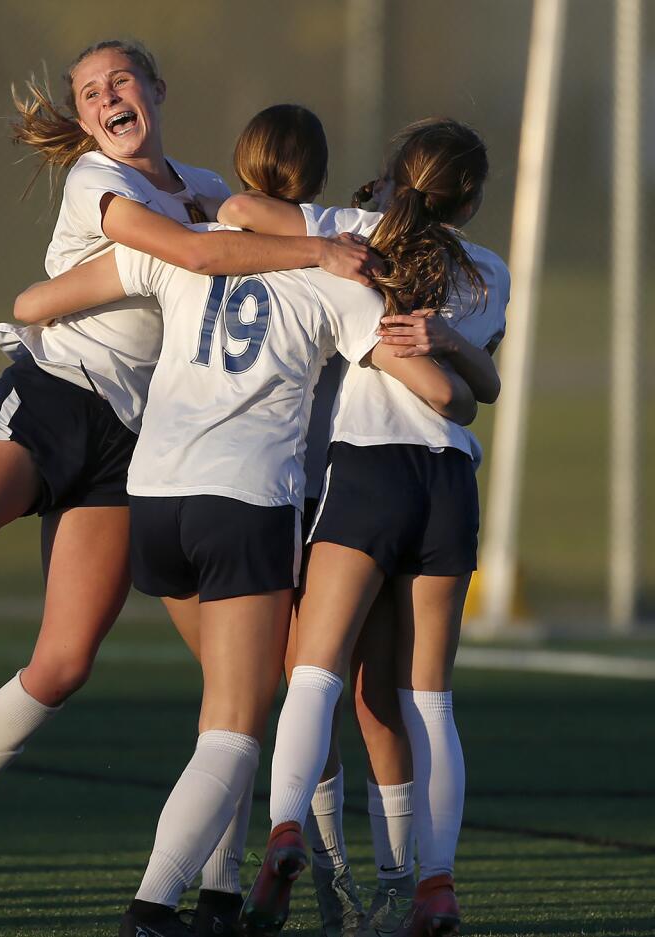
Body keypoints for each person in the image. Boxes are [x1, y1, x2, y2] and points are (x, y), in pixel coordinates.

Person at [0, 40, 379, 901]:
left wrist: (360, 227)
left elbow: (268, 215)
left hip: (135, 447)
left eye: (120, 81)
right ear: (87, 116)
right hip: (55, 397)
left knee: (76, 664)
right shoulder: (101, 182)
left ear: (158, 88)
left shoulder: (207, 187)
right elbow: (198, 253)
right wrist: (318, 252)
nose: (107, 99)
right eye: (91, 91)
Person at [14, 103, 477, 937]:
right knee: (250, 717)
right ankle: (164, 905)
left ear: (239, 165)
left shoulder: (178, 247)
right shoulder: (336, 271)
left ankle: (230, 893)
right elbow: (443, 394)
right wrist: (456, 360)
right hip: (256, 501)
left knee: (250, 698)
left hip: (153, 499)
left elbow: (34, 299)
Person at [222, 117, 508, 937]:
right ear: (475, 197)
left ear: (393, 177)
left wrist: (321, 233)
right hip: (451, 482)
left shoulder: (355, 232)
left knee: (314, 673)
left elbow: (245, 211)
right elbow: (474, 386)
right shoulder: (491, 270)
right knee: (431, 701)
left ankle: (284, 836)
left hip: (370, 470)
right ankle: (435, 885)